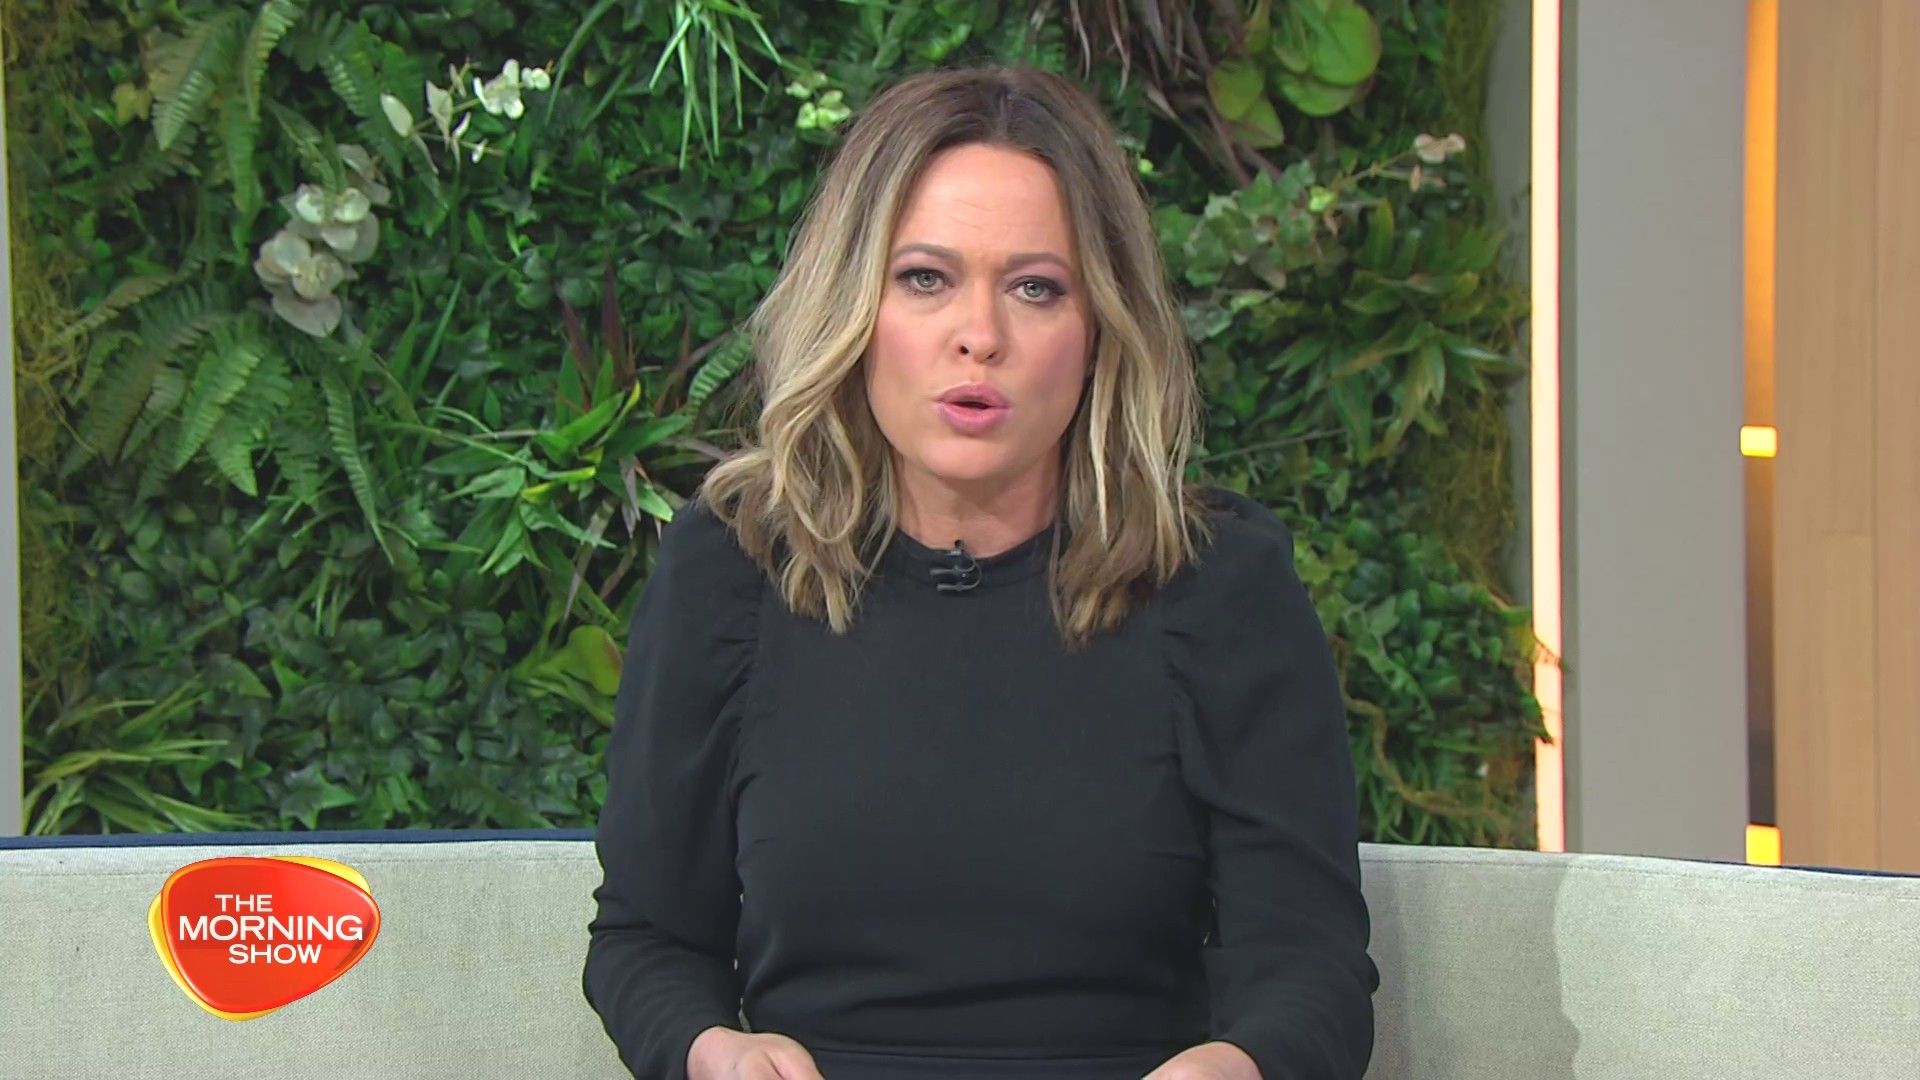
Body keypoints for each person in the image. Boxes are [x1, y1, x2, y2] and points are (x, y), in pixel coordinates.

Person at [583, 64, 1379, 1080]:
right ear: (854, 306)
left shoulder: (1220, 583)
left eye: (1035, 288)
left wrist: (1237, 1064)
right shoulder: (731, 568)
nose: (981, 337)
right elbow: (647, 940)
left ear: (1100, 329)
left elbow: (1310, 966)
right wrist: (715, 1052)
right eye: (926, 278)